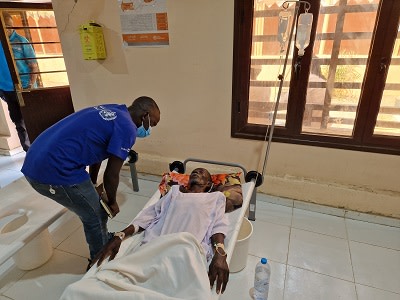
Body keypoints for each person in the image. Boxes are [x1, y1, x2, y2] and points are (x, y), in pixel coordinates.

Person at [21, 96, 161, 269]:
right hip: (51, 170)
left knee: (97, 206)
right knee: (95, 214)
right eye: (152, 124)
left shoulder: (114, 110)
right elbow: (112, 174)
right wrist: (113, 202)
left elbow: (99, 152)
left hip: (37, 157)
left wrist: (94, 184)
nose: (149, 130)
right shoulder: (128, 129)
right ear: (145, 116)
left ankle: (102, 239)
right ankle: (98, 261)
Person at [60, 168, 229, 299]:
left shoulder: (215, 198)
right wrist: (119, 236)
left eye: (203, 173)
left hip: (186, 248)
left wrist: (220, 254)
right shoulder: (174, 192)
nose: (197, 171)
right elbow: (148, 216)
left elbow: (218, 226)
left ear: (208, 184)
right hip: (154, 247)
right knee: (77, 291)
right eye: (194, 171)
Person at [0, 12, 39, 151]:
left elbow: (33, 65)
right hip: (6, 90)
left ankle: (40, 151)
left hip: (24, 88)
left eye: (9, 26)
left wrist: (29, 86)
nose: (7, 29)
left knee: (32, 121)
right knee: (18, 122)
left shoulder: (20, 41)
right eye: (3, 26)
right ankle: (28, 151)